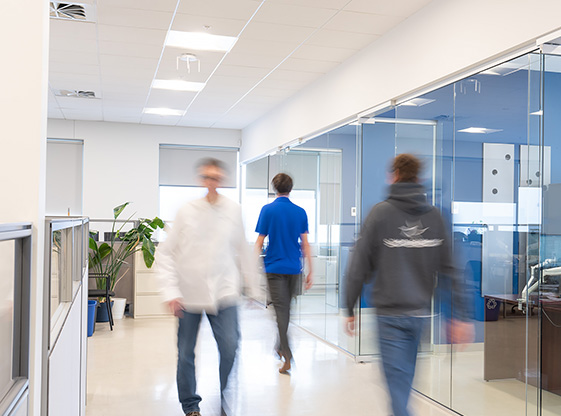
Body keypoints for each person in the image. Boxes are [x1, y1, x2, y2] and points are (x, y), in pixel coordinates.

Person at [344, 154, 473, 416]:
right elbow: (451, 269)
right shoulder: (435, 216)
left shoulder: (380, 213)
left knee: (398, 387)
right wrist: (459, 316)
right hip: (420, 314)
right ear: (419, 179)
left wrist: (349, 306)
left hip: (390, 315)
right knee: (403, 382)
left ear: (393, 176)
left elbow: (359, 264)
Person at [157, 158, 259, 416]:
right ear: (201, 180)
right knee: (185, 353)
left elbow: (243, 250)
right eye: (207, 178)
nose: (212, 183)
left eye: (216, 178)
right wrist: (171, 292)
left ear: (222, 180)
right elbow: (165, 252)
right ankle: (191, 406)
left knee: (229, 346)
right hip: (189, 294)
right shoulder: (187, 211)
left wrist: (254, 287)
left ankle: (224, 399)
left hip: (224, 292)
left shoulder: (233, 210)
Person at [255, 173, 313, 374]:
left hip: (274, 268)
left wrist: (250, 269)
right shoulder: (300, 212)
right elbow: (305, 245)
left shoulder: (267, 210)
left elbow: (259, 242)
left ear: (274, 187)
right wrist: (310, 270)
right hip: (294, 269)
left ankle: (286, 354)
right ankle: (280, 346)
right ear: (291, 188)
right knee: (285, 311)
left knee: (281, 312)